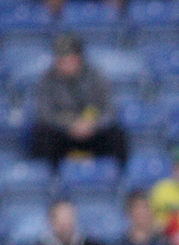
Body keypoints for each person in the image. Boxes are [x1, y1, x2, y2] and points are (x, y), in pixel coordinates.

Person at [29, 35, 128, 166]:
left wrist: (93, 124)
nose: (67, 63)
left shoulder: (96, 76)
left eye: (71, 59)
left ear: (79, 58)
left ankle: (114, 176)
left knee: (116, 135)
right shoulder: (46, 80)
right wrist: (70, 125)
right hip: (63, 133)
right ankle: (50, 179)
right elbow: (45, 113)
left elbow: (110, 108)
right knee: (43, 135)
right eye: (62, 59)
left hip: (93, 131)